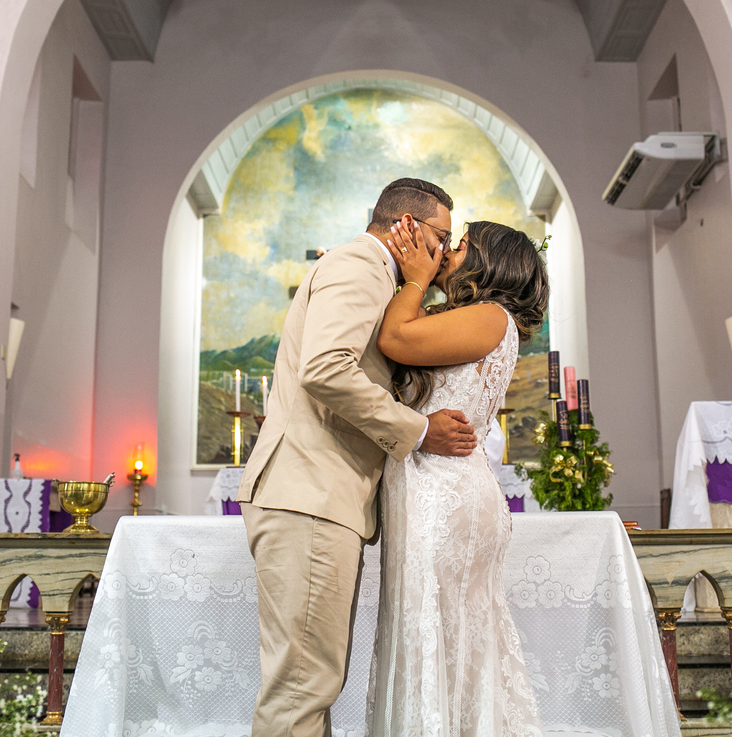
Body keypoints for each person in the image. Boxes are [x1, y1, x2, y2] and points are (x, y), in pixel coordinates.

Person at [235, 178, 479, 737]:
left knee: (308, 684)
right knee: (300, 690)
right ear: (408, 228)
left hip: (317, 497)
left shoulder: (378, 276)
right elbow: (325, 368)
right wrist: (417, 430)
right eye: (442, 236)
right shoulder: (360, 266)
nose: (445, 255)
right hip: (310, 495)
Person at [368, 218, 550, 737]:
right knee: (438, 635)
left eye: (462, 244)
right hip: (431, 486)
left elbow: (396, 337)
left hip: (445, 496)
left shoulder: (491, 316)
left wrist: (415, 279)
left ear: (488, 263)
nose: (448, 250)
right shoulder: (475, 318)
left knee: (439, 635)